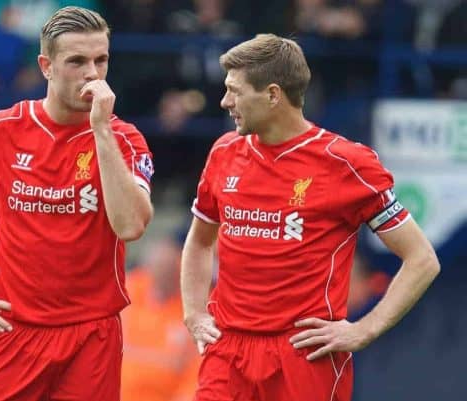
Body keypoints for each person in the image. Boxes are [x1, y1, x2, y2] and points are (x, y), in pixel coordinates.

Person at [181, 33, 440, 401]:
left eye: (235, 91)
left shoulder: (346, 163)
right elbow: (200, 240)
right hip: (228, 351)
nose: (225, 102)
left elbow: (422, 259)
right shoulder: (224, 152)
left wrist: (363, 330)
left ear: (273, 94)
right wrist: (194, 313)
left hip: (302, 355)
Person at [0, 6, 154, 401]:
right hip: (12, 331)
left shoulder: (123, 139)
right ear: (46, 65)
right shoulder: (0, 130)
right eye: (77, 61)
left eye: (101, 60)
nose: (92, 74)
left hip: (91, 335)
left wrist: (100, 129)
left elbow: (130, 225)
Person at [121, 234, 200, 401]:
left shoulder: (194, 312)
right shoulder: (126, 294)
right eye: (158, 271)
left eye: (170, 272)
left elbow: (195, 377)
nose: (164, 279)